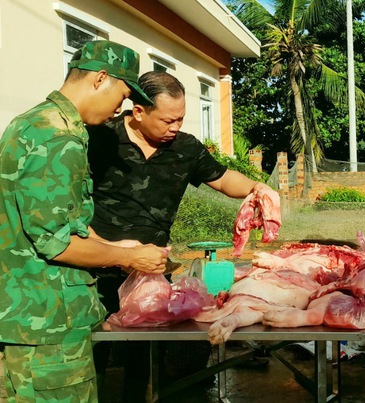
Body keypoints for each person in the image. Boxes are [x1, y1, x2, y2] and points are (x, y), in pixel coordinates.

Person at [87, 70, 276, 401]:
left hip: (148, 275)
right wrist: (110, 249)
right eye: (167, 120)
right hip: (91, 270)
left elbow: (222, 177)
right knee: (94, 362)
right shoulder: (99, 139)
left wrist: (255, 188)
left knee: (143, 361)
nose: (175, 127)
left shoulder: (185, 147)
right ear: (139, 112)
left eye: (180, 118)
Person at [0, 40, 168, 403]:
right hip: (47, 325)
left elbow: (61, 220)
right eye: (122, 96)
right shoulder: (58, 138)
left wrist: (115, 246)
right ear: (100, 79)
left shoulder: (34, 124)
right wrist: (128, 259)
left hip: (39, 320)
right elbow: (55, 242)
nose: (119, 109)